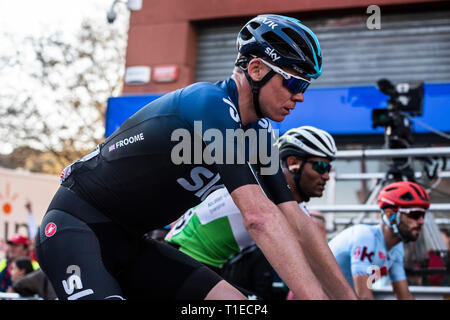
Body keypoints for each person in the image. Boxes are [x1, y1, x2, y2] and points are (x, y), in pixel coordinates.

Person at [36, 14, 355, 300]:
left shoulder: (258, 132)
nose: (299, 96)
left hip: (133, 244)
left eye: (306, 87)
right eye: (294, 82)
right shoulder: (209, 103)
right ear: (256, 69)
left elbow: (296, 220)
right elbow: (259, 217)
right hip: (77, 228)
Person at [165, 126, 343, 299]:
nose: (326, 175)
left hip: (210, 266)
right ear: (293, 163)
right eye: (321, 166)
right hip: (183, 259)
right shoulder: (262, 190)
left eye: (328, 169)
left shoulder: (292, 206)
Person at [329, 181, 430, 300]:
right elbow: (364, 297)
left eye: (423, 215)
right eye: (415, 214)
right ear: (389, 215)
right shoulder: (365, 237)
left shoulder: (396, 248)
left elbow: (404, 296)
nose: (421, 221)